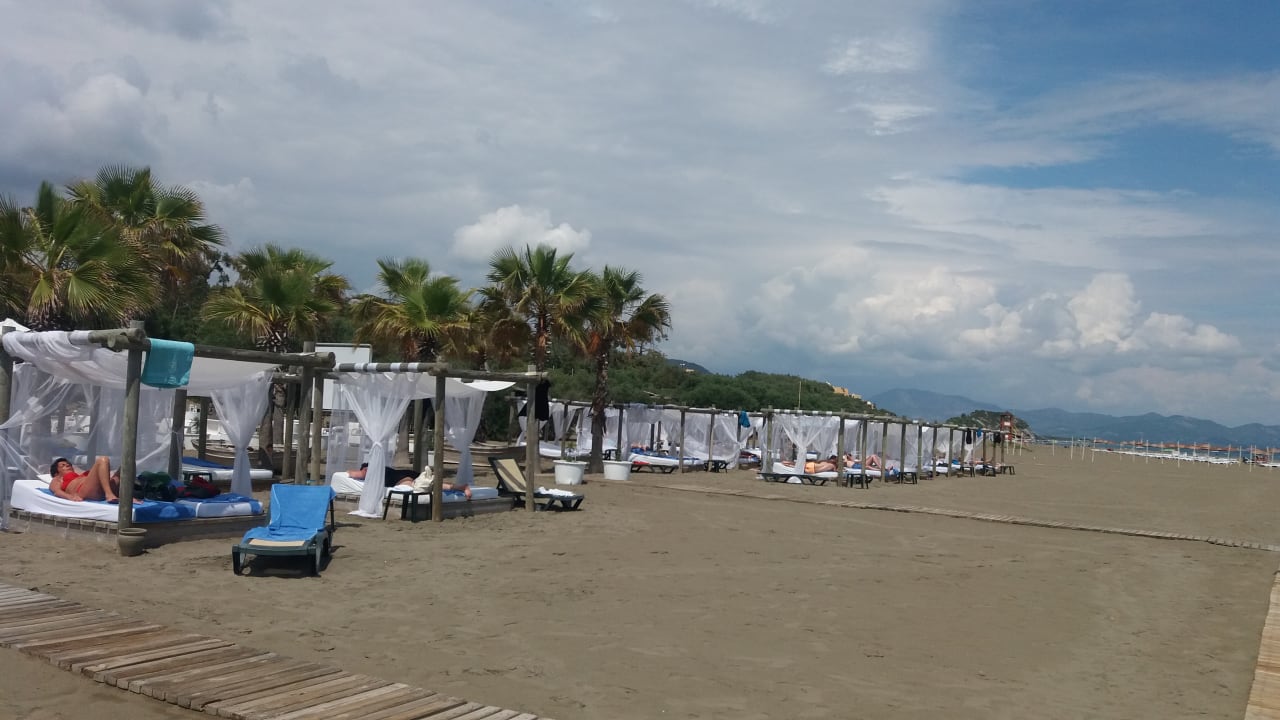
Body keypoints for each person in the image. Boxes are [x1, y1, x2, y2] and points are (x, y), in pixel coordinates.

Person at [48, 456, 136, 504]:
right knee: (103, 460)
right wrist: (71, 497)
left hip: (100, 488)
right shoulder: (57, 478)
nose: (67, 465)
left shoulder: (79, 475)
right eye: (63, 465)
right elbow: (57, 492)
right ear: (56, 473)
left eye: (68, 464)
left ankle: (126, 496)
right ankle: (109, 494)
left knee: (128, 463)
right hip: (84, 491)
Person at [348, 462, 416, 488]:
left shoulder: (368, 470)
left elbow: (354, 474)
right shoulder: (380, 470)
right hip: (406, 477)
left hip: (404, 478)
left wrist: (348, 472)